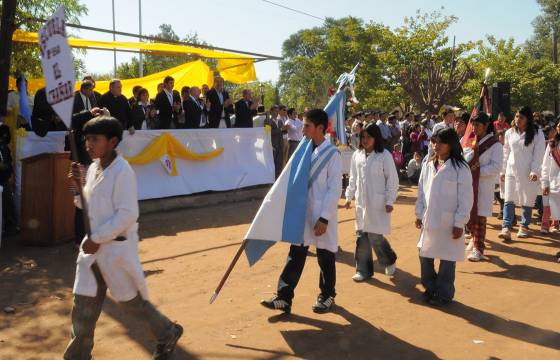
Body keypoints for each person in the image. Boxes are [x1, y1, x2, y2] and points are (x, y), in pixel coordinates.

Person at [64, 116, 183, 359]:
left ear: (113, 141)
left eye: (94, 139)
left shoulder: (123, 171)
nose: (88, 144)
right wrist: (77, 185)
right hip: (92, 254)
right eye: (86, 139)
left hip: (115, 253)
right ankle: (77, 355)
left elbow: (128, 214)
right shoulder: (94, 169)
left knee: (133, 304)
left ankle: (166, 332)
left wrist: (97, 237)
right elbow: (85, 206)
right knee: (83, 307)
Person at [261, 109, 342, 314]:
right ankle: (284, 297)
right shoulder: (304, 151)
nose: (302, 129)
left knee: (325, 256)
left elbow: (334, 190)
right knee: (295, 254)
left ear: (320, 128)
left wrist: (324, 218)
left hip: (322, 215)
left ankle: (327, 295)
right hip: (303, 213)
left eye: (306, 126)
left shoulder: (332, 154)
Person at [415, 127, 473, 306]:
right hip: (429, 220)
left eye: (441, 142)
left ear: (451, 145)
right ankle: (431, 287)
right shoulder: (428, 164)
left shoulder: (460, 168)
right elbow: (421, 192)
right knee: (424, 254)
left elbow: (466, 198)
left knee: (447, 260)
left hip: (449, 222)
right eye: (434, 141)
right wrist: (419, 214)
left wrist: (459, 222)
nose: (436, 145)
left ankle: (444, 294)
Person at [345, 123, 399, 282]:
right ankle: (363, 270)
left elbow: (392, 180)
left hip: (378, 203)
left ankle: (388, 259)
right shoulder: (357, 155)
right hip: (361, 202)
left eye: (369, 137)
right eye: (363, 137)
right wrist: (349, 197)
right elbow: (353, 177)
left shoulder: (384, 155)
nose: (365, 140)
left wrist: (390, 200)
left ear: (376, 138)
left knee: (375, 236)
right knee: (361, 236)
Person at [499, 106, 546, 241]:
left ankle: (524, 226)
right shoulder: (509, 132)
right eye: (516, 116)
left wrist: (535, 170)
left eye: (521, 117)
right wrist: (503, 170)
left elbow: (539, 154)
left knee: (528, 198)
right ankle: (506, 227)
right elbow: (505, 152)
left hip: (528, 171)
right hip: (511, 170)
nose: (518, 119)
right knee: (508, 198)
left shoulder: (537, 133)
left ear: (528, 119)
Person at [463, 113, 503, 262]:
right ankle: (474, 240)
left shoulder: (495, 144)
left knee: (480, 216)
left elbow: (496, 166)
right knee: (469, 213)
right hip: (469, 184)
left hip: (483, 185)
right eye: (472, 124)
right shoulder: (470, 141)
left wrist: (477, 171)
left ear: (486, 126)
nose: (474, 127)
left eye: (477, 125)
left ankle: (478, 249)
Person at [540, 121, 560, 233]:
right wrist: (545, 182)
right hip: (552, 179)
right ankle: (546, 224)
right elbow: (545, 165)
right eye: (558, 125)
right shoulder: (552, 144)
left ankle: (556, 224)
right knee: (548, 201)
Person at [0, 124, 16, 235]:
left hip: (4, 178)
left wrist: (10, 174)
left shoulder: (5, 147)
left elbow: (8, 161)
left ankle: (9, 227)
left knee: (8, 203)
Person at [264, 105, 286, 179]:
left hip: (280, 144)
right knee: (272, 163)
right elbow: (268, 133)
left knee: (279, 163)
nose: (277, 112)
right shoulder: (267, 121)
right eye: (275, 111)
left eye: (278, 111)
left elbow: (283, 131)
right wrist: (280, 129)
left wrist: (286, 129)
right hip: (272, 145)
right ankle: (271, 179)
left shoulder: (280, 121)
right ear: (271, 112)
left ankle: (277, 179)